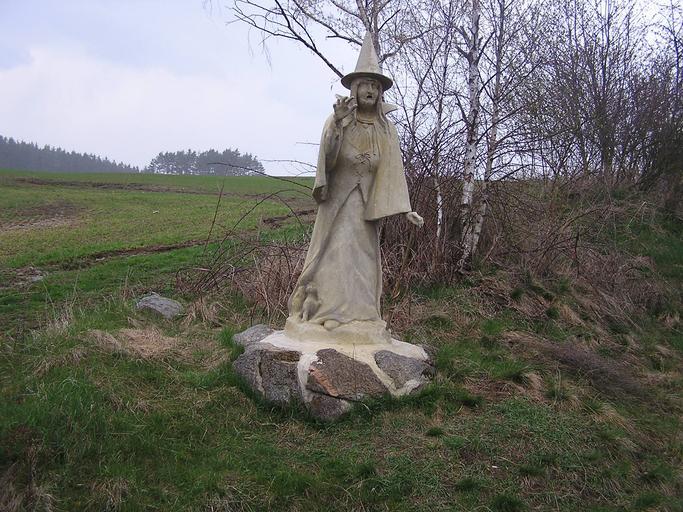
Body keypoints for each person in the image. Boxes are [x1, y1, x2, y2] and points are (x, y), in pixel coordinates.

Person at [286, 32, 423, 342]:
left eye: (375, 86)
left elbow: (392, 172)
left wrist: (405, 210)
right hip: (338, 203)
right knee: (336, 255)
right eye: (365, 85)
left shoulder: (386, 129)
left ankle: (361, 316)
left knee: (364, 259)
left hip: (366, 206)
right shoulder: (339, 120)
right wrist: (336, 126)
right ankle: (329, 314)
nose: (370, 90)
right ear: (355, 89)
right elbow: (328, 160)